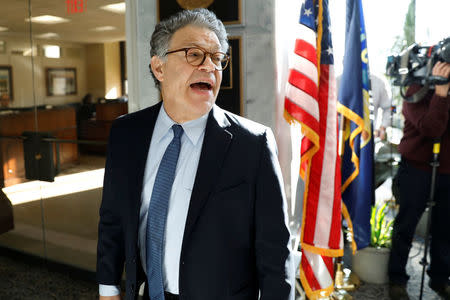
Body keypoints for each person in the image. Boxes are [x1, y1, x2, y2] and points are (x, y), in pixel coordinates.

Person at [96, 8, 295, 300]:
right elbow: (112, 219)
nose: (209, 67)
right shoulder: (126, 134)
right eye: (194, 54)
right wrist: (108, 289)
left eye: (217, 58)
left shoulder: (252, 144)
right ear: (159, 68)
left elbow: (276, 253)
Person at [388, 61, 450, 300]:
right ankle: (396, 279)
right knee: (406, 226)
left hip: (446, 171)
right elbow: (432, 128)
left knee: (445, 229)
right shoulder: (415, 89)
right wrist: (441, 93)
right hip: (416, 169)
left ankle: (440, 278)